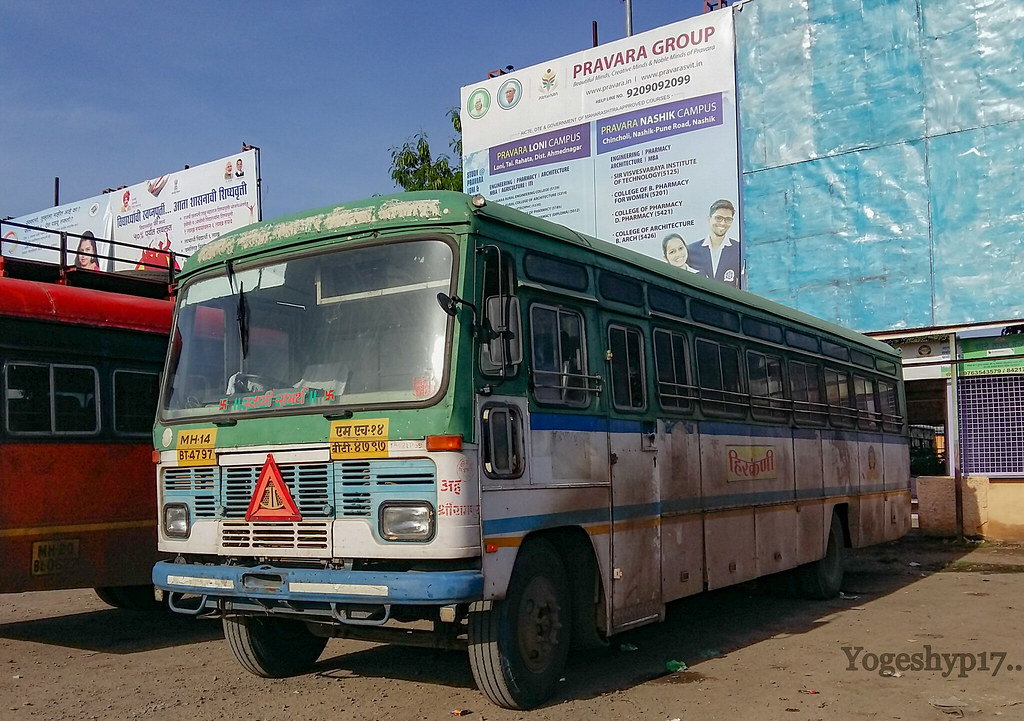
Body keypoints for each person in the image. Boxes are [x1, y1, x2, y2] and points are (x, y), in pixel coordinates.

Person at [687, 199, 742, 287]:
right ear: (709, 219)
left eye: (728, 219)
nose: (723, 223)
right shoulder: (691, 250)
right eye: (718, 218)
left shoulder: (738, 249)